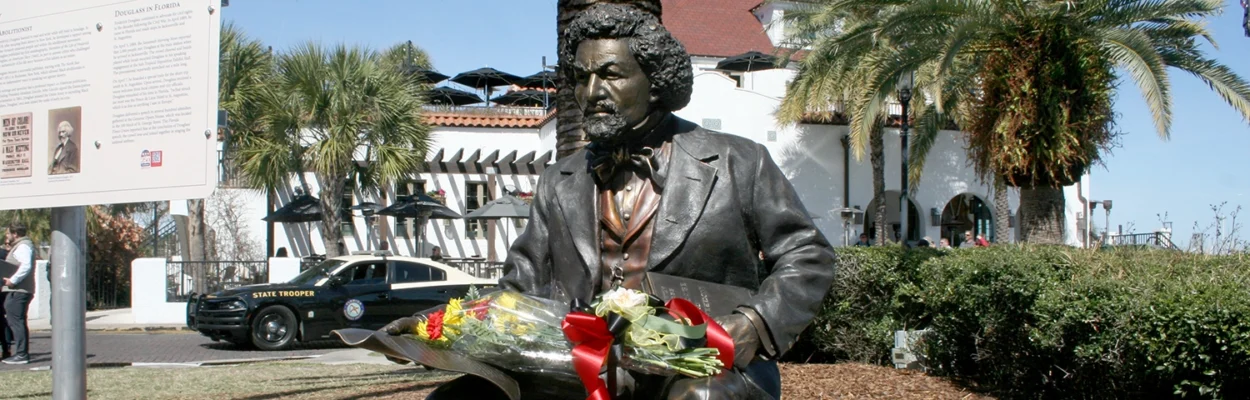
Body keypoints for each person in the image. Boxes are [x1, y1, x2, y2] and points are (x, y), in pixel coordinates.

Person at [388, 4, 835, 399]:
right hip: (582, 363)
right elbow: (518, 292)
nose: (591, 93)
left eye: (611, 74)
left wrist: (754, 323)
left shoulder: (740, 161)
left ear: (656, 80)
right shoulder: (558, 181)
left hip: (703, 363)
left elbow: (807, 256)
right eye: (581, 78)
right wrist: (437, 326)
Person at [3, 222, 35, 364]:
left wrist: (13, 280)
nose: (7, 236)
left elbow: (26, 265)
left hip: (19, 290)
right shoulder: (22, 245)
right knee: (16, 321)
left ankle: (22, 354)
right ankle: (21, 354)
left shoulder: (23, 246)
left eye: (8, 233)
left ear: (15, 234)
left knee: (16, 321)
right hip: (17, 290)